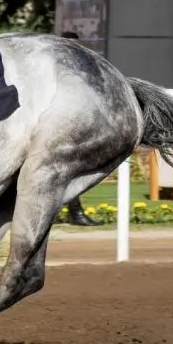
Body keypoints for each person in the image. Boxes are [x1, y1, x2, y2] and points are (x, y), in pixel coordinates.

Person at [59, 31, 104, 226]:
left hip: (73, 127)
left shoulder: (84, 70)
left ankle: (74, 212)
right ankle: (74, 213)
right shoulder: (54, 68)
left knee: (71, 171)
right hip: (55, 128)